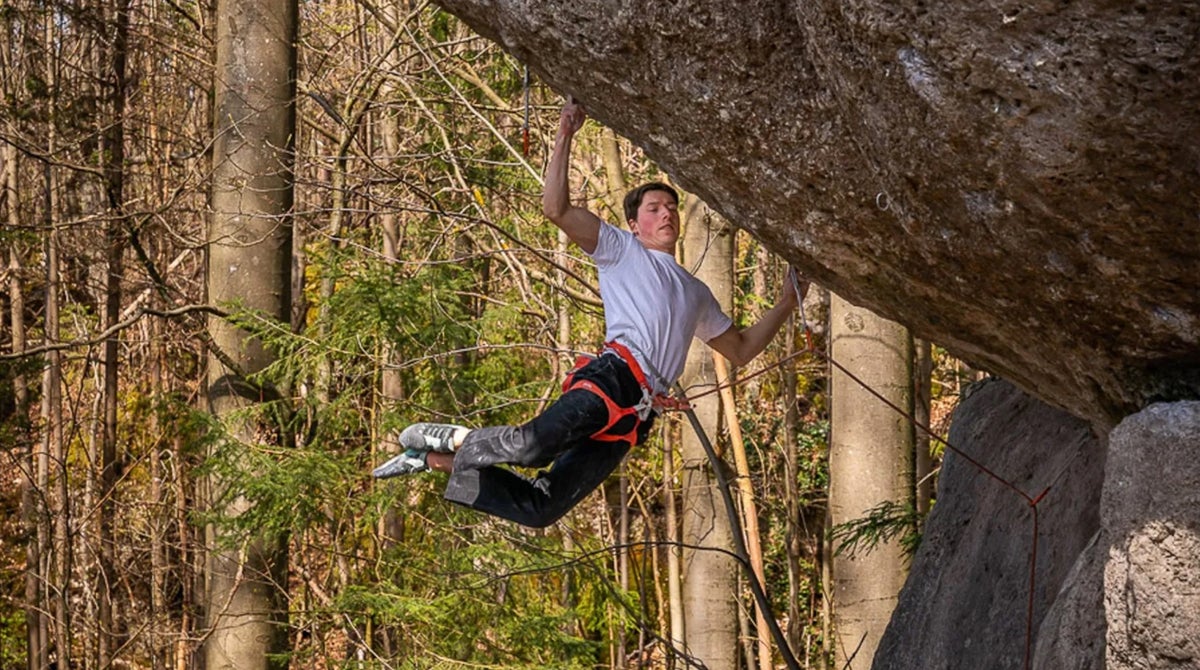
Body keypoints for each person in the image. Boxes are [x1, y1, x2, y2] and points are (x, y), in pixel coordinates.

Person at [374, 100, 807, 528]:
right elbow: (556, 209)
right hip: (612, 377)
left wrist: (787, 302)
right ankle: (454, 437)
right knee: (532, 448)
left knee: (541, 508)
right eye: (654, 208)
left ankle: (430, 459)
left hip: (639, 412)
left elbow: (741, 349)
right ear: (634, 224)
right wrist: (565, 134)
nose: (667, 213)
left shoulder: (696, 292)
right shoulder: (622, 249)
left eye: (672, 208)